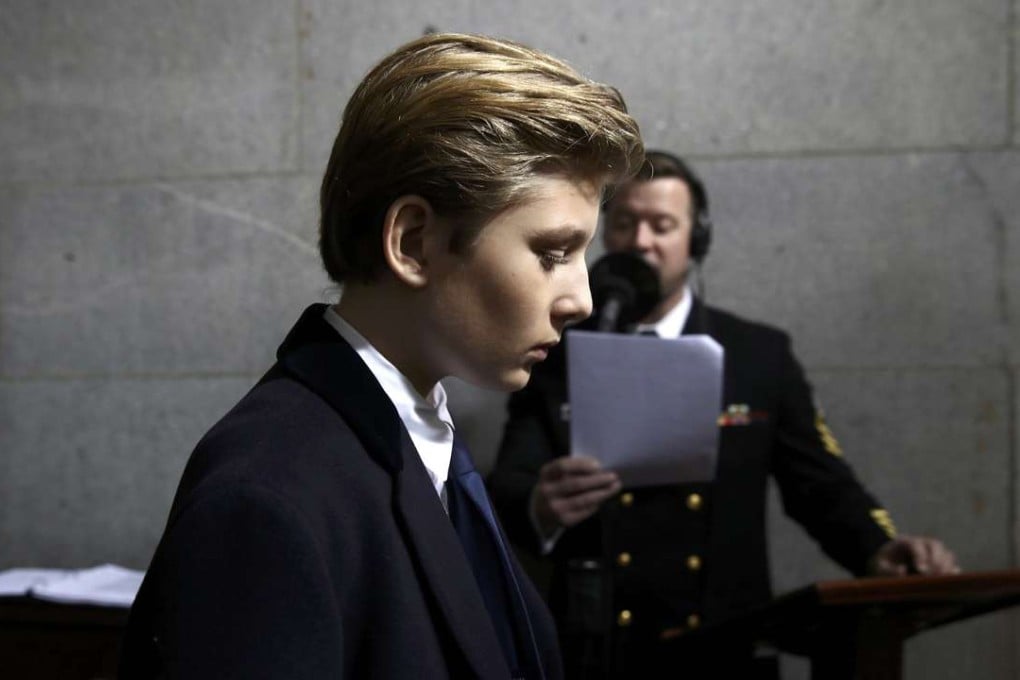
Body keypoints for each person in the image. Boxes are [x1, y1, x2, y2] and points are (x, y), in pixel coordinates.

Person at [118, 33, 643, 679]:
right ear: (414, 241)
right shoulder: (266, 498)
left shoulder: (416, 439)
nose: (580, 300)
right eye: (552, 253)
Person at [487, 150, 958, 679]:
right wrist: (542, 505)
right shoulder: (555, 353)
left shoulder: (758, 355)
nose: (642, 241)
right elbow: (508, 484)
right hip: (599, 651)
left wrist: (880, 548)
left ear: (696, 239)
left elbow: (821, 484)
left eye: (661, 225)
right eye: (624, 224)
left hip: (726, 648)